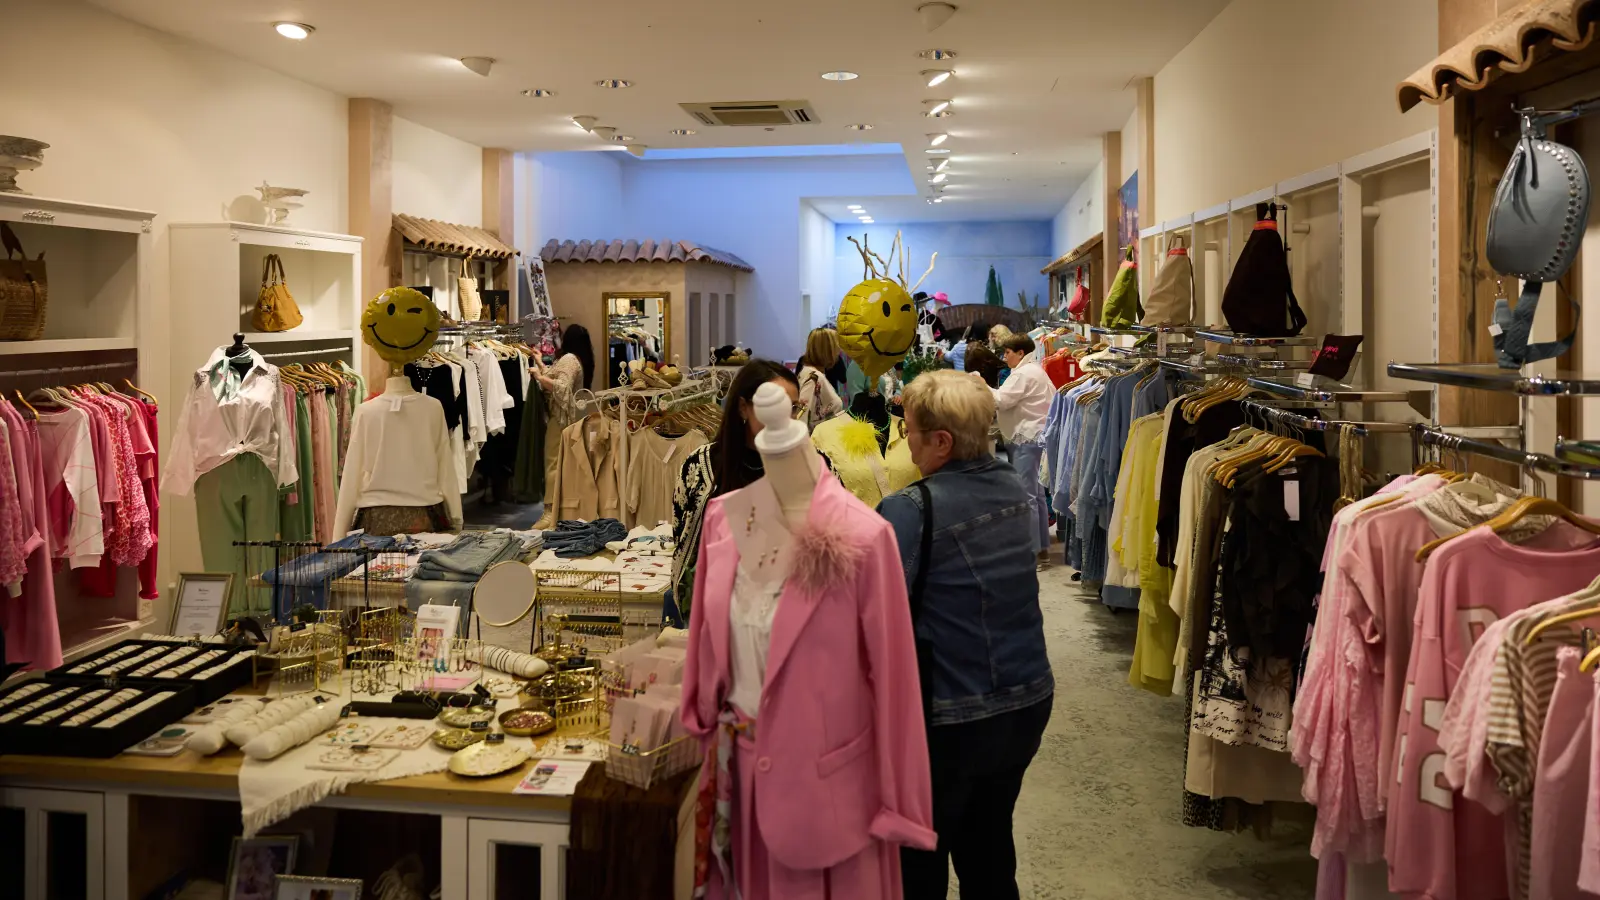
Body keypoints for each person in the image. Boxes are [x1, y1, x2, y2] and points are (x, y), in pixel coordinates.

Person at [875, 370, 1054, 900]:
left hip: (952, 714)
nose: (905, 440)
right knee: (989, 847)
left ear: (941, 441)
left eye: (908, 430)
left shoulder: (912, 509)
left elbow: (871, 615)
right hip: (1027, 698)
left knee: (918, 863)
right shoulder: (1014, 486)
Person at [670, 360, 800, 617]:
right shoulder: (700, 467)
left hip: (790, 617)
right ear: (743, 407)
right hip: (717, 615)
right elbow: (683, 542)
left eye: (793, 408)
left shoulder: (813, 466)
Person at [987, 333, 1055, 565]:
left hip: (1026, 437)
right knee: (1037, 495)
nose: (1004, 357)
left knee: (1028, 496)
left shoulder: (1023, 373)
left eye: (1007, 353)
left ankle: (1033, 552)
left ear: (1020, 353)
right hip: (1035, 437)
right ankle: (1041, 549)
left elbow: (1001, 400)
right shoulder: (1035, 370)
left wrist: (981, 385)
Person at [533, 324, 595, 526]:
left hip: (560, 420)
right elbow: (558, 377)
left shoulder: (569, 359)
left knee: (553, 463)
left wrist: (539, 377)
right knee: (562, 464)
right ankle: (558, 511)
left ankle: (549, 512)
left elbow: (561, 387)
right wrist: (540, 362)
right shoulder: (577, 360)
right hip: (569, 420)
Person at [796, 328, 844, 429]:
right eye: (836, 346)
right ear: (828, 350)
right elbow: (802, 419)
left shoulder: (810, 373)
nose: (839, 350)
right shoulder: (814, 378)